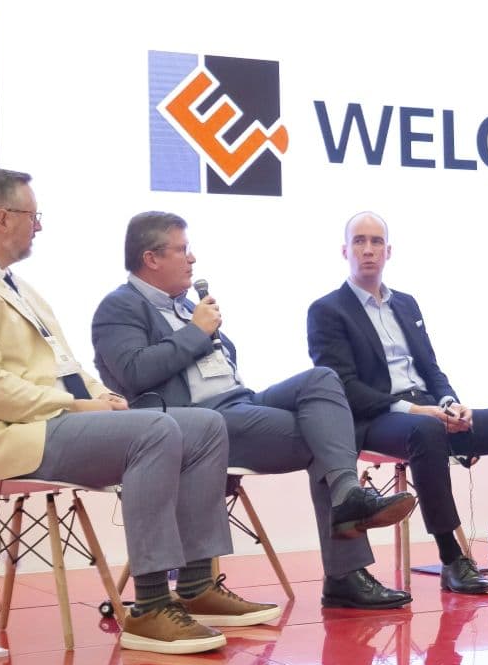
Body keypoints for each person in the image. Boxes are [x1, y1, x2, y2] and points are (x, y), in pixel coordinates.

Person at [0, 169, 277, 656]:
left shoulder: (20, 288)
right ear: (3, 218)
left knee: (205, 426)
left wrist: (106, 397)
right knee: (155, 430)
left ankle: (195, 586)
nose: (39, 226)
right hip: (4, 434)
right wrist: (76, 404)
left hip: (54, 421)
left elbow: (68, 368)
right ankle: (149, 607)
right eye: (33, 216)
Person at [91, 212, 416, 610]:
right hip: (195, 421)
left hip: (239, 404)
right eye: (182, 250)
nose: (192, 259)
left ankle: (347, 494)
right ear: (151, 258)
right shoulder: (119, 307)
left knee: (322, 380)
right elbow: (134, 372)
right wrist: (196, 331)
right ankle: (345, 571)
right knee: (328, 439)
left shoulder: (186, 306)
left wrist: (199, 330)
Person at [307, 212, 488, 595]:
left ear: (389, 251)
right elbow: (344, 388)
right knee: (426, 429)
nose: (368, 250)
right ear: (345, 250)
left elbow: (430, 368)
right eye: (359, 241)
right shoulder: (328, 310)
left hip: (428, 411)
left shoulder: (406, 304)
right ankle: (452, 558)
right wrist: (416, 411)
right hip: (377, 418)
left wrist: (449, 403)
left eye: (376, 242)